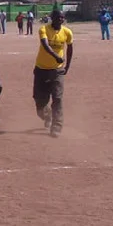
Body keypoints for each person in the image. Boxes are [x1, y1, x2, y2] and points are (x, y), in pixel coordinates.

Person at [34, 10, 74, 138]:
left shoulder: (67, 32)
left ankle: (56, 126)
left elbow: (70, 48)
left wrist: (67, 66)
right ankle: (47, 116)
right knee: (39, 101)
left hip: (57, 70)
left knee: (57, 98)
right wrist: (55, 55)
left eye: (62, 18)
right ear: (52, 18)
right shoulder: (43, 29)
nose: (60, 20)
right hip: (41, 69)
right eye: (57, 17)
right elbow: (45, 44)